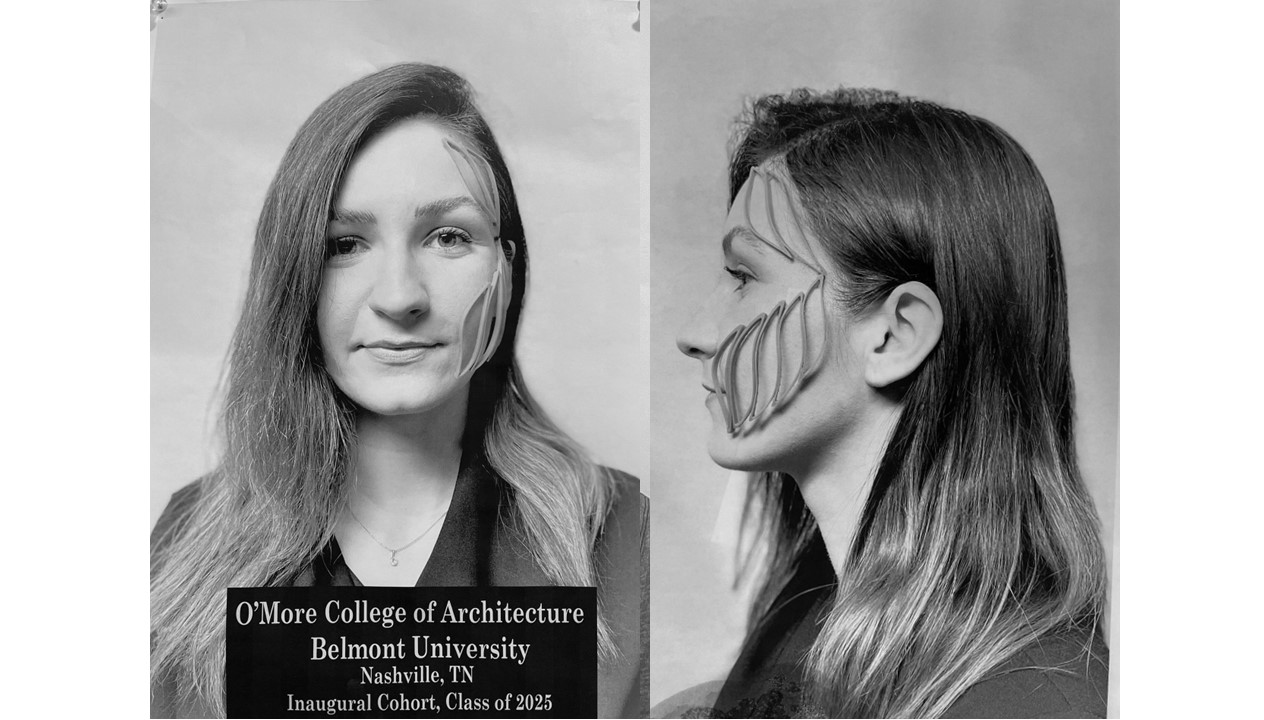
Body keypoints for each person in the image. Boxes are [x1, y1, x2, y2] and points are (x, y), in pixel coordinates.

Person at [150, 63, 648, 718]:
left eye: (450, 237)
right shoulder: (185, 547)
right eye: (345, 244)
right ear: (293, 273)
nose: (399, 297)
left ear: (508, 266)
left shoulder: (624, 539)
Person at [675, 88, 1109, 718]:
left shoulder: (1022, 698)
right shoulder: (811, 611)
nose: (695, 331)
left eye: (744, 277)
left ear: (895, 334)